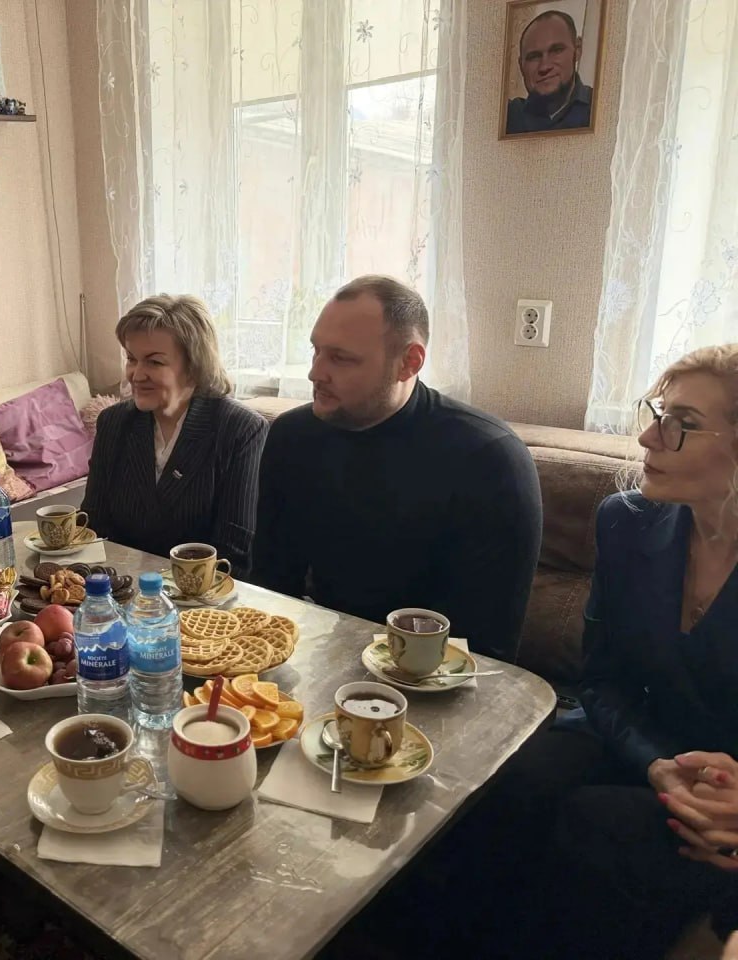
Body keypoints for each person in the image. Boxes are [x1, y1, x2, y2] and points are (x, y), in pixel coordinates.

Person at [424, 346, 738, 960]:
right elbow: (599, 681)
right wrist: (655, 762)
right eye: (657, 413)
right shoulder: (627, 521)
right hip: (634, 735)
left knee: (601, 827)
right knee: (498, 781)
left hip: (722, 793)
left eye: (682, 424)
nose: (648, 437)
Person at [251, 275, 541, 663]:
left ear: (409, 362)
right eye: (316, 351)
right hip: (315, 659)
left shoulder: (490, 460)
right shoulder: (292, 437)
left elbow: (486, 649)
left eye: (340, 358)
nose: (315, 373)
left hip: (435, 679)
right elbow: (272, 589)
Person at [82, 294, 268, 577]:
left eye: (154, 362)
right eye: (132, 359)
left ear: (194, 368)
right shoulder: (113, 422)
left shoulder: (240, 430)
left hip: (203, 596)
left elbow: (233, 554)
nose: (136, 374)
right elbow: (93, 528)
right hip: (118, 588)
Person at [505, 9, 593, 135]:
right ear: (521, 65)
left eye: (556, 50)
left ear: (577, 49)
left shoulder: (602, 109)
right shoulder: (505, 118)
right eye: (534, 57)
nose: (544, 66)